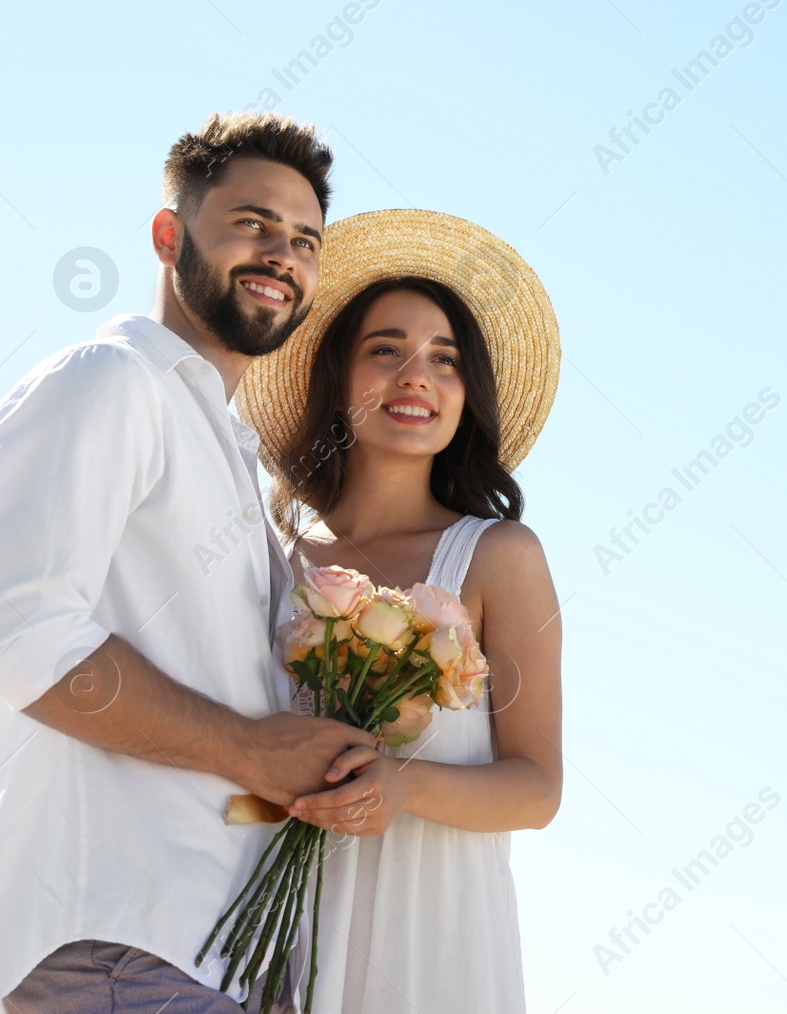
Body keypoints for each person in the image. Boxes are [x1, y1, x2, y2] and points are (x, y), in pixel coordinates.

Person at [0, 111, 372, 1014]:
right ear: (167, 234)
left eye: (305, 239)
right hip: (122, 943)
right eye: (251, 224)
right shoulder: (109, 381)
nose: (281, 253)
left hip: (215, 954)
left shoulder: (230, 448)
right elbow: (22, 639)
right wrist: (248, 750)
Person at [234, 208, 564, 1013]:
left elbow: (537, 786)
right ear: (337, 375)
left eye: (445, 359)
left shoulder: (499, 557)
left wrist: (403, 788)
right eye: (386, 350)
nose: (417, 375)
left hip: (435, 943)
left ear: (467, 393)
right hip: (271, 938)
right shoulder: (269, 559)